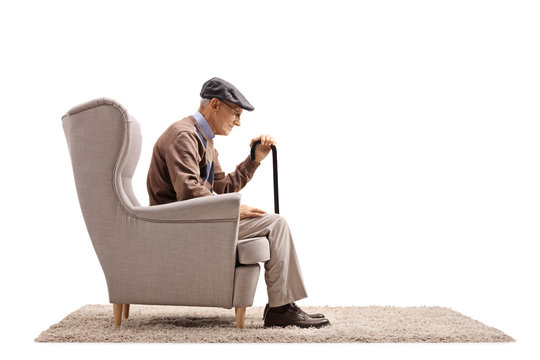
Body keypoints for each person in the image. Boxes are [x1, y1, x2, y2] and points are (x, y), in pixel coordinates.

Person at [146, 77, 330, 328]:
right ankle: (281, 309)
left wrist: (253, 160)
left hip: (193, 222)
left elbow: (222, 188)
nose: (238, 122)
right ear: (214, 105)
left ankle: (282, 306)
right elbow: (188, 192)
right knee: (275, 224)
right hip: (179, 228)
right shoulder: (183, 136)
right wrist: (233, 210)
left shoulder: (204, 140)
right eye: (235, 113)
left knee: (272, 223)